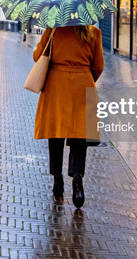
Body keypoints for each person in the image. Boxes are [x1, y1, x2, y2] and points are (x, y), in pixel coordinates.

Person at [33, 25, 104, 208]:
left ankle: (58, 179)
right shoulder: (94, 33)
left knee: (55, 133)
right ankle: (78, 180)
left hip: (57, 85)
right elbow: (98, 66)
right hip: (84, 85)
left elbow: (38, 57)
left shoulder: (54, 29)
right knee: (80, 137)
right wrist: (85, 77)